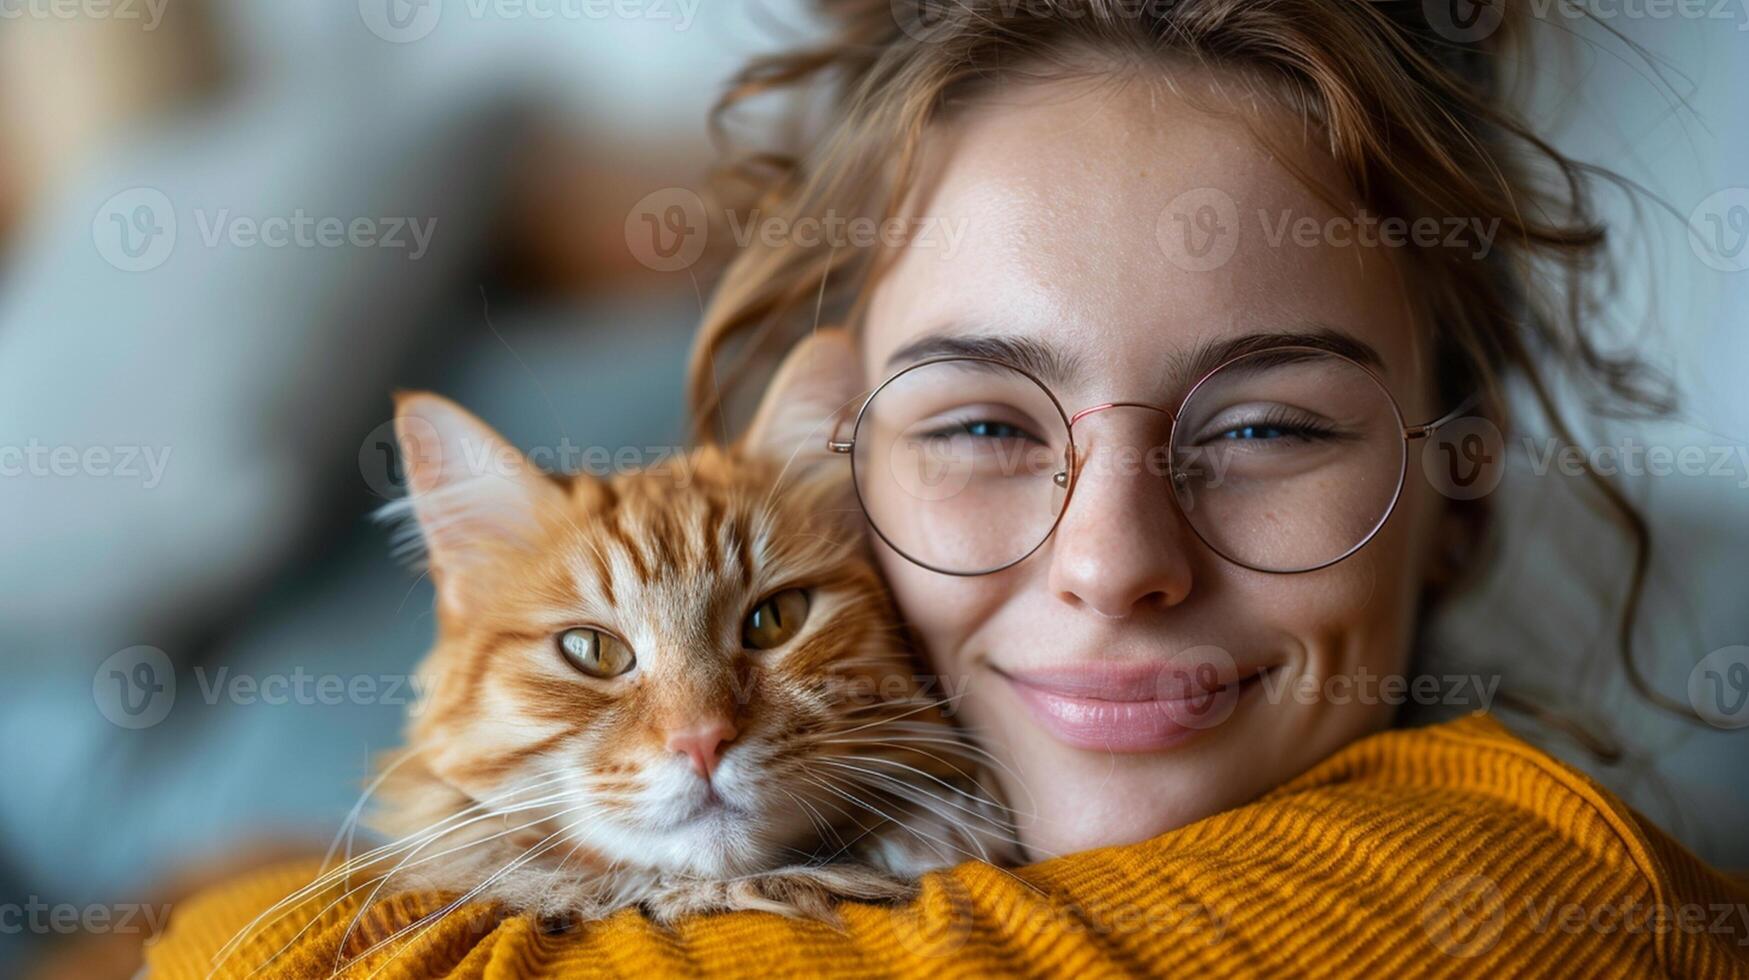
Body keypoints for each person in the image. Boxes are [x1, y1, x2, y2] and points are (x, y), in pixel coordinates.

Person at [148, 2, 1749, 976]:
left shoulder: (1529, 900)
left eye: (1262, 429)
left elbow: (260, 954)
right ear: (857, 491)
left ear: (1459, 490)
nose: (1112, 562)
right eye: (985, 427)